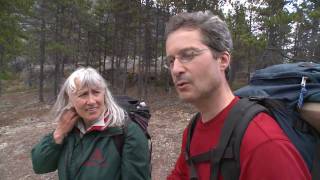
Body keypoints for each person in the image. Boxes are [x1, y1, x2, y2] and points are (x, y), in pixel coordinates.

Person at [165, 11, 311, 180]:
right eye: (171, 61)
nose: (176, 69)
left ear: (222, 60)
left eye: (188, 55)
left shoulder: (263, 142)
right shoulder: (193, 129)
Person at [31, 67, 150, 180]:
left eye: (96, 92)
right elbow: (40, 166)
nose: (92, 101)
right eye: (83, 94)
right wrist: (59, 133)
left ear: (104, 94)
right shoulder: (69, 129)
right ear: (70, 99)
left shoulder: (127, 132)